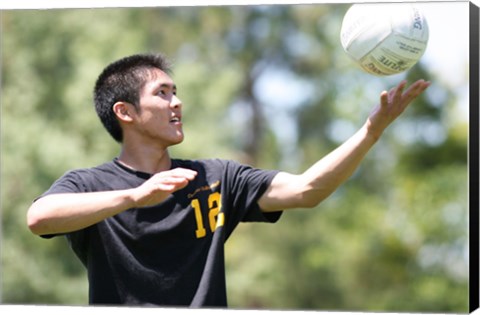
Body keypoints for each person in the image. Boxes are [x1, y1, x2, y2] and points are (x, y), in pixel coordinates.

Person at [27, 53, 430, 307]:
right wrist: (134, 196)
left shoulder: (216, 177)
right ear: (126, 112)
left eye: (176, 91)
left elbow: (308, 190)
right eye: (162, 93)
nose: (177, 101)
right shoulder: (92, 184)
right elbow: (39, 217)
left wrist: (371, 132)